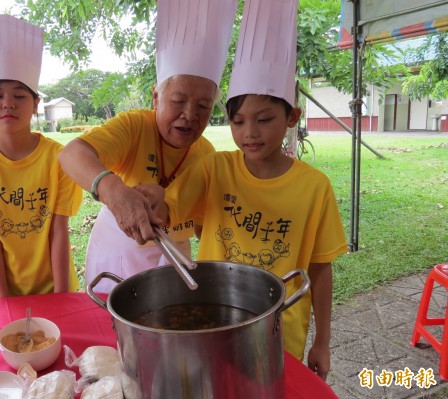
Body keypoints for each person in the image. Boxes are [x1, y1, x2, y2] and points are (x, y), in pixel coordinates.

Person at [136, 0, 348, 380]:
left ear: (292, 117)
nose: (249, 133)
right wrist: (152, 200)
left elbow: (320, 268)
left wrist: (324, 341)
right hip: (213, 320)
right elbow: (171, 206)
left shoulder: (315, 188)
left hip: (279, 330)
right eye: (237, 122)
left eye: (264, 120)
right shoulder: (217, 168)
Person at [58, 0, 237, 293]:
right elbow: (71, 154)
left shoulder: (207, 155)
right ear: (156, 97)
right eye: (178, 102)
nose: (190, 115)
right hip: (118, 250)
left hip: (175, 255)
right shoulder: (134, 126)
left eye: (203, 106)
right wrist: (114, 191)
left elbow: (206, 227)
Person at [0, 14, 82, 301]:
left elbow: (58, 231)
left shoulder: (60, 159)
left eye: (19, 95)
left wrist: (61, 298)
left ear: (36, 104)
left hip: (55, 285)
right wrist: (3, 303)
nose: (8, 103)